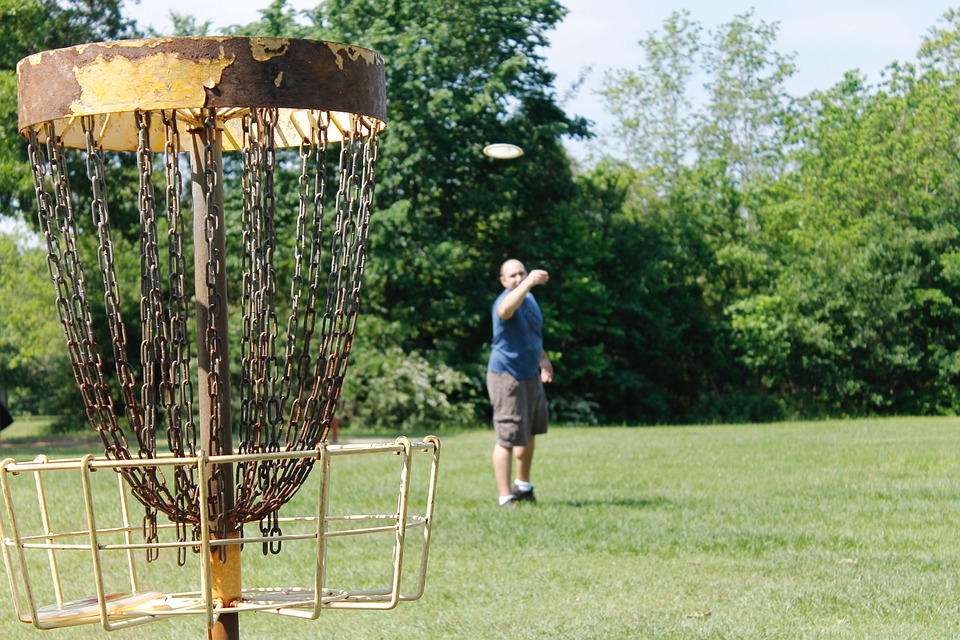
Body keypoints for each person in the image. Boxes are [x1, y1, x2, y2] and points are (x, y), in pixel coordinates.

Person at [487, 259, 553, 507]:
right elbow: (505, 310)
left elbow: (532, 333)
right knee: (507, 436)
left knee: (530, 431)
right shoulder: (508, 299)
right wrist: (526, 284)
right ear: (504, 281)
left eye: (521, 273)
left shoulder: (529, 299)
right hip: (507, 377)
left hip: (529, 374)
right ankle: (506, 497)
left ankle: (523, 487)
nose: (518, 278)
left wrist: (543, 359)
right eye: (512, 275)